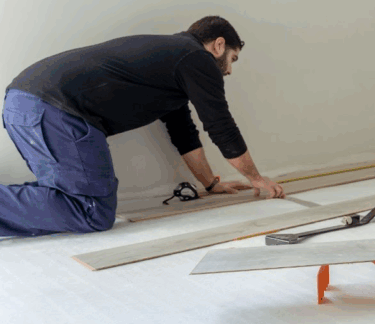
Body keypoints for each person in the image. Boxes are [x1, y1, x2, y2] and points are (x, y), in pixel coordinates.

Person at [0, 16, 285, 238]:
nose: (229, 70)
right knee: (92, 211)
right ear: (218, 45)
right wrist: (257, 178)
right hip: (54, 109)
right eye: (232, 59)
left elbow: (184, 134)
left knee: (72, 198)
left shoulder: (172, 62)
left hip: (25, 104)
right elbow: (220, 124)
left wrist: (211, 184)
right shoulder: (197, 59)